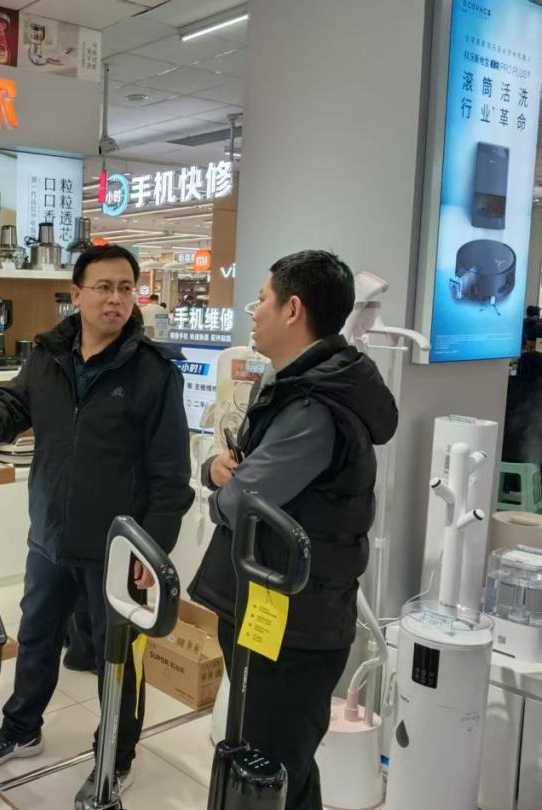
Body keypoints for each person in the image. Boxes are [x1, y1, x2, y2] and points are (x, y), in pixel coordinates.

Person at [0, 244, 193, 799]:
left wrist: (151, 552)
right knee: (36, 636)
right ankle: (22, 727)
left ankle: (116, 756)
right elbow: (15, 402)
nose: (116, 299)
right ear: (77, 294)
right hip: (49, 537)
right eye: (104, 287)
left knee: (117, 659)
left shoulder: (153, 372)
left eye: (126, 288)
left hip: (117, 549)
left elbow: (171, 477)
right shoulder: (49, 354)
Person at [189, 250, 398, 810]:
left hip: (293, 625)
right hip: (282, 609)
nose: (254, 311)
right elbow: (256, 482)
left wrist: (223, 489)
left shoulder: (314, 406)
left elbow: (243, 502)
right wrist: (222, 470)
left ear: (293, 309)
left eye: (262, 299)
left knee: (272, 765)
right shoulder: (301, 386)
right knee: (281, 766)